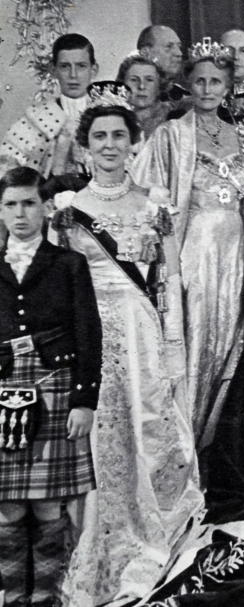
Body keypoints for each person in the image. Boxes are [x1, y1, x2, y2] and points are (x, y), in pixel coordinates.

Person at [54, 82, 203, 605]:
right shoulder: (69, 208)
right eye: (100, 136)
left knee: (148, 428)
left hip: (141, 334)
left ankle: (150, 529)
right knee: (99, 440)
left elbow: (169, 281)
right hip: (90, 335)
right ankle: (97, 538)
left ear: (134, 141)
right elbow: (56, 285)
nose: (110, 145)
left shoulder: (154, 203)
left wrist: (173, 345)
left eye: (119, 134)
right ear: (84, 145)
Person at [132, 38, 244, 452]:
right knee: (195, 342)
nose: (206, 89)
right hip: (194, 250)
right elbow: (149, 195)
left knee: (228, 346)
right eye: (199, 81)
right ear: (188, 84)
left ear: (228, 86)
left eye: (215, 81)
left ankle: (207, 450)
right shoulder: (170, 135)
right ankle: (180, 450)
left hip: (236, 252)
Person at [0, 166, 101, 607]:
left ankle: (44, 598)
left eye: (28, 203)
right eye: (10, 204)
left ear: (45, 208)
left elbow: (88, 333)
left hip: (55, 388)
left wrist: (84, 401)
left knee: (46, 506)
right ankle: (12, 597)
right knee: (7, 509)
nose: (20, 214)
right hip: (3, 391)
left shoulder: (69, 264)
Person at [0, 33, 98, 177]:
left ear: (93, 70)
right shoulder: (35, 118)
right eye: (65, 66)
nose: (73, 74)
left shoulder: (108, 113)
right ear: (53, 70)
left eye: (81, 66)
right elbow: (6, 169)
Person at [117, 53, 172, 142]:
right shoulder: (113, 118)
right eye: (134, 80)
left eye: (149, 80)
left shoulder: (173, 119)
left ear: (160, 85)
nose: (141, 86)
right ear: (122, 84)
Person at [137, 25, 185, 100]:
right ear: (145, 53)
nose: (179, 53)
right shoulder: (125, 97)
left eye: (179, 47)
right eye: (169, 46)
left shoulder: (183, 97)